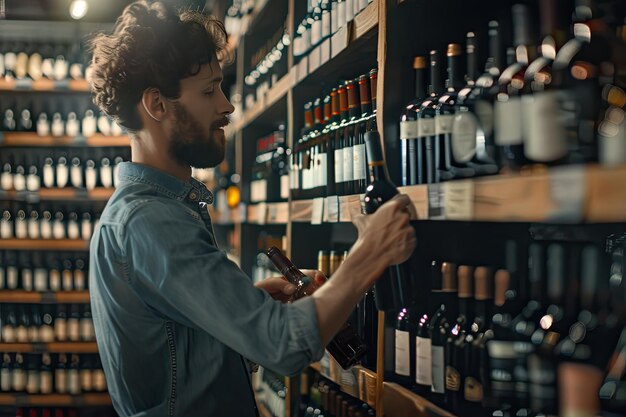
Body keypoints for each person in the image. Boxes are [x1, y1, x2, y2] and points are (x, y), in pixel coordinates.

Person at [87, 2, 416, 416]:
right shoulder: (151, 221)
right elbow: (285, 347)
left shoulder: (144, 213)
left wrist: (242, 312)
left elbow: (175, 361)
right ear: (156, 104)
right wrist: (371, 252)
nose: (226, 106)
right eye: (209, 91)